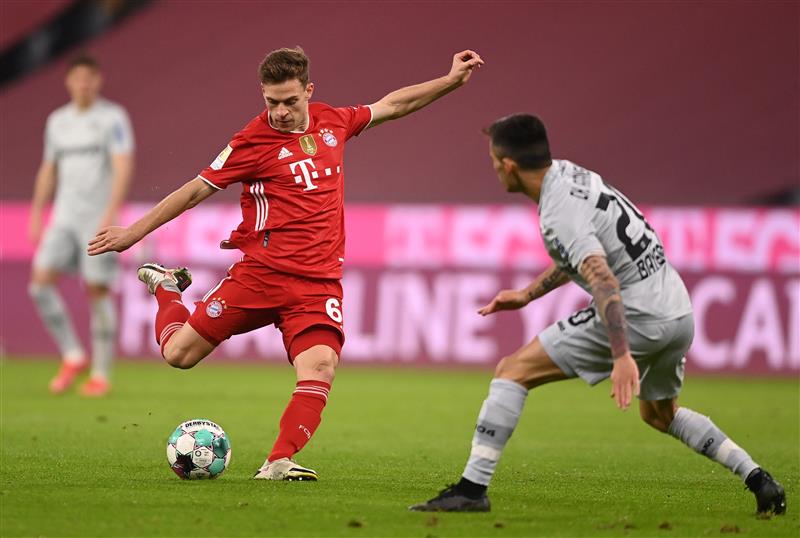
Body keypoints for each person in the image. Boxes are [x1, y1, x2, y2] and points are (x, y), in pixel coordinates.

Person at [87, 47, 483, 480]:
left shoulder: (334, 122)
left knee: (321, 367)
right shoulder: (250, 142)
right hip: (261, 276)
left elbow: (393, 104)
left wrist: (450, 80)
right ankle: (167, 288)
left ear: (309, 91)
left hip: (317, 284)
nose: (280, 112)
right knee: (179, 355)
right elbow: (194, 190)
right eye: (271, 102)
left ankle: (278, 461)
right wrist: (134, 233)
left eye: (290, 101)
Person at [409, 114, 787, 515]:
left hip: (637, 313)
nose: (494, 169)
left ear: (509, 166)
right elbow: (583, 255)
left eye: (492, 161)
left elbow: (603, 278)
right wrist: (528, 294)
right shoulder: (570, 174)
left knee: (512, 371)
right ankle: (759, 480)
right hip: (676, 309)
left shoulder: (559, 212)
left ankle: (471, 490)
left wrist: (622, 356)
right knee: (660, 415)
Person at [29, 53, 134, 397]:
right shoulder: (57, 121)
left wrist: (111, 212)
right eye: (78, 79)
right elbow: (48, 169)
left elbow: (122, 164)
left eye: (89, 78)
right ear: (69, 82)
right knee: (39, 284)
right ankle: (73, 355)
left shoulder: (112, 118)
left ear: (98, 81)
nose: (84, 85)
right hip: (64, 216)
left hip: (97, 216)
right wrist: (37, 212)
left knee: (96, 289)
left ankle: (101, 374)